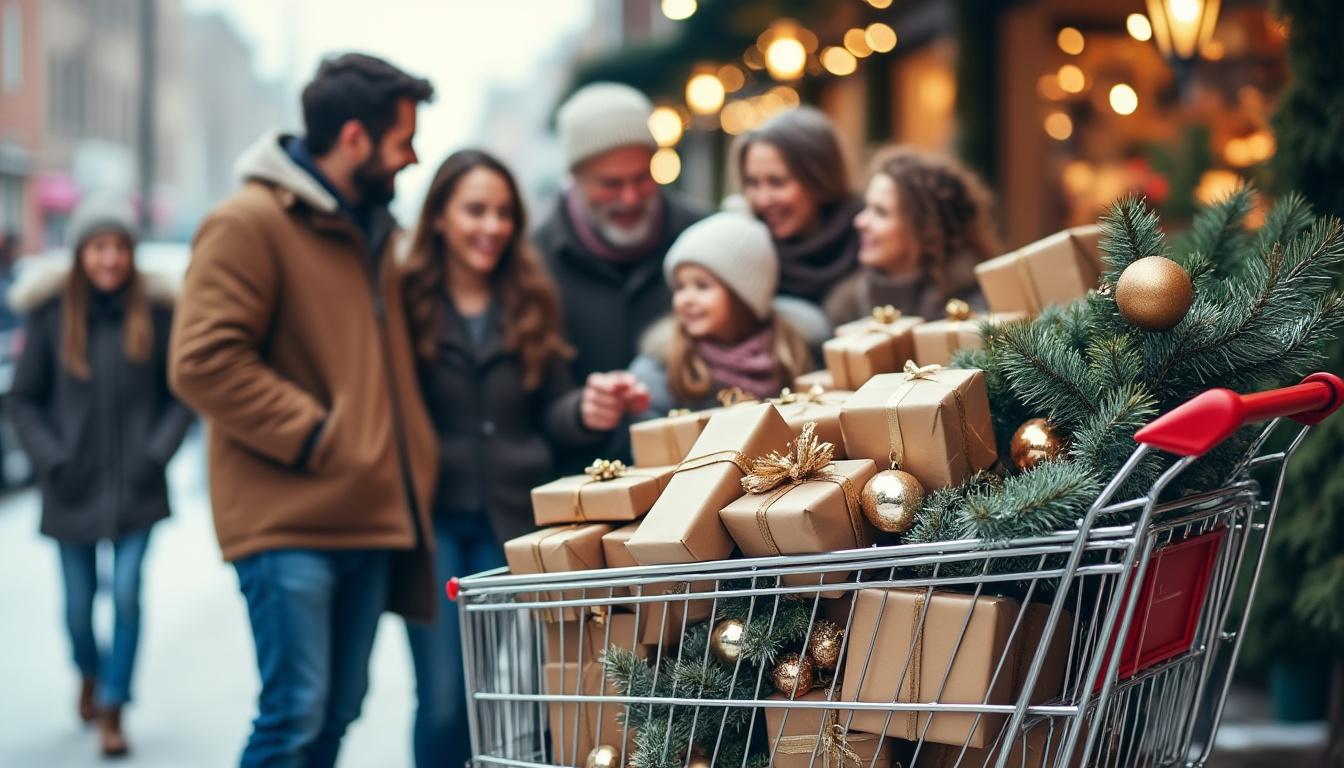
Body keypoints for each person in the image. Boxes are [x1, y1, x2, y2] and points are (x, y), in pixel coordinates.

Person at [168, 54, 438, 768]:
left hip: (368, 513)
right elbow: (202, 360)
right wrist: (322, 435)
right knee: (294, 714)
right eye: (402, 138)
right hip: (289, 520)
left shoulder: (374, 228)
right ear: (354, 137)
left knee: (337, 712)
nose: (413, 157)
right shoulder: (248, 222)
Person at [400, 149, 648, 768]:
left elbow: (553, 407)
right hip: (430, 526)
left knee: (525, 696)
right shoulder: (406, 302)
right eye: (475, 211)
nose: (492, 226)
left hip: (511, 523)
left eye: (504, 212)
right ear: (439, 218)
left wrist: (585, 410)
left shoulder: (530, 296)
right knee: (444, 700)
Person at [7, 198, 192, 758]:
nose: (109, 259)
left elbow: (180, 397)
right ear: (81, 253)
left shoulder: (157, 316)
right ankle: (88, 670)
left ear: (131, 255)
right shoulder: (51, 317)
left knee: (130, 595)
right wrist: (52, 458)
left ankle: (113, 703)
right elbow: (22, 399)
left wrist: (156, 453)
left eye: (118, 248)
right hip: (71, 486)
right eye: (98, 248)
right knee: (78, 607)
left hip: (137, 486)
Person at [533, 82, 706, 409]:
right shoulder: (535, 260)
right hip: (589, 455)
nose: (629, 198)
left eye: (642, 178)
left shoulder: (700, 235)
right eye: (610, 184)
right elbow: (536, 400)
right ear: (575, 176)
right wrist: (581, 411)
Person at [629, 212, 813, 416]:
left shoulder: (795, 353)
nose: (686, 299)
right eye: (680, 287)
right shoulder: (659, 373)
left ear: (743, 296)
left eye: (702, 286)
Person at [824, 146, 999, 326]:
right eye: (866, 207)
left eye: (880, 212)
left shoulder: (975, 306)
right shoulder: (846, 307)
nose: (860, 222)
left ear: (924, 227)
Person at [735, 106, 863, 309]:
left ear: (819, 178)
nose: (763, 199)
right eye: (753, 183)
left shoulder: (868, 238)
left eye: (777, 182)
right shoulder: (740, 255)